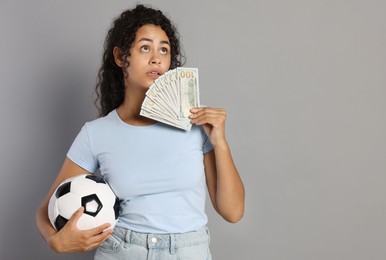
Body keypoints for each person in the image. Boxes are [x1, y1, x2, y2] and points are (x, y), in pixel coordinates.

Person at [36, 4, 244, 260]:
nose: (156, 57)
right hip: (123, 251)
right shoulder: (97, 133)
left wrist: (220, 142)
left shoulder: (196, 126)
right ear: (121, 57)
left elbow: (233, 212)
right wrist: (55, 241)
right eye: (145, 47)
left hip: (189, 251)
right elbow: (45, 210)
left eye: (164, 50)